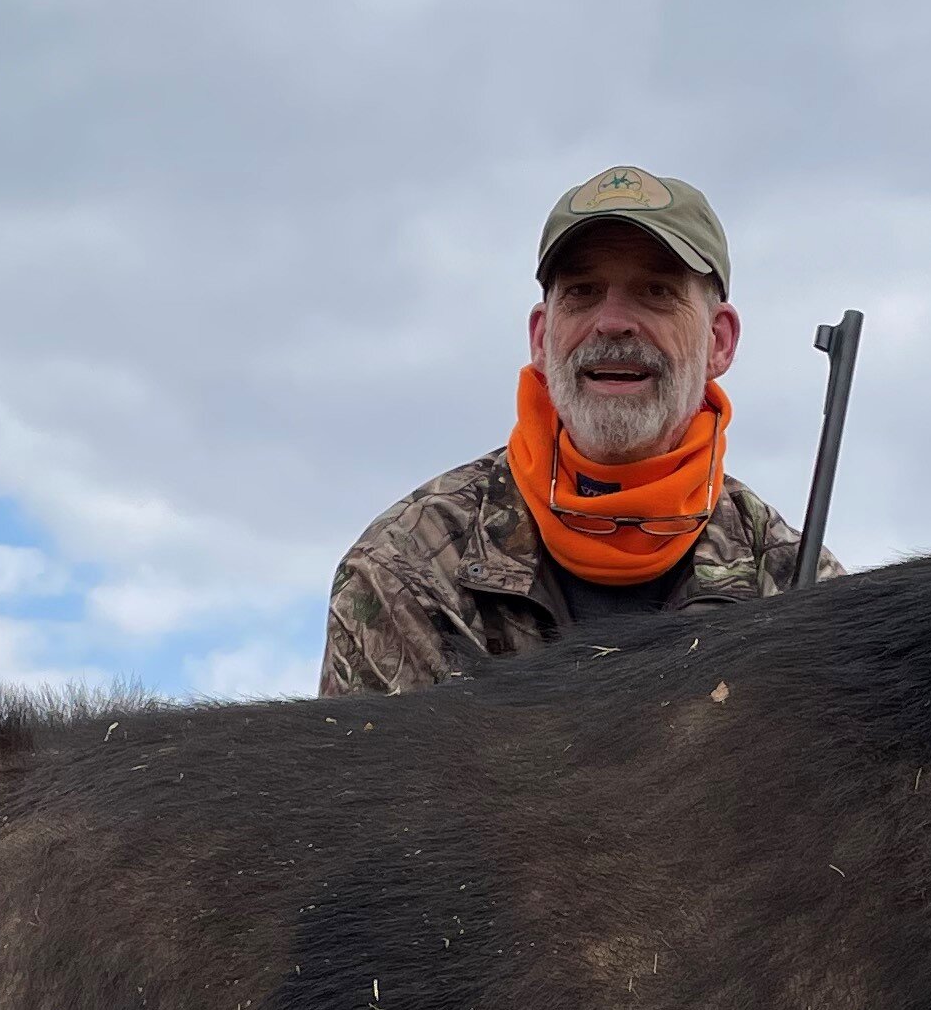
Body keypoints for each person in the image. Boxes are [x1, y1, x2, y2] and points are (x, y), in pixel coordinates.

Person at [321, 166, 840, 696]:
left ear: (719, 341)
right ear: (542, 339)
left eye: (656, 290)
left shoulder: (798, 593)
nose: (613, 321)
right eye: (583, 291)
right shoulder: (407, 565)